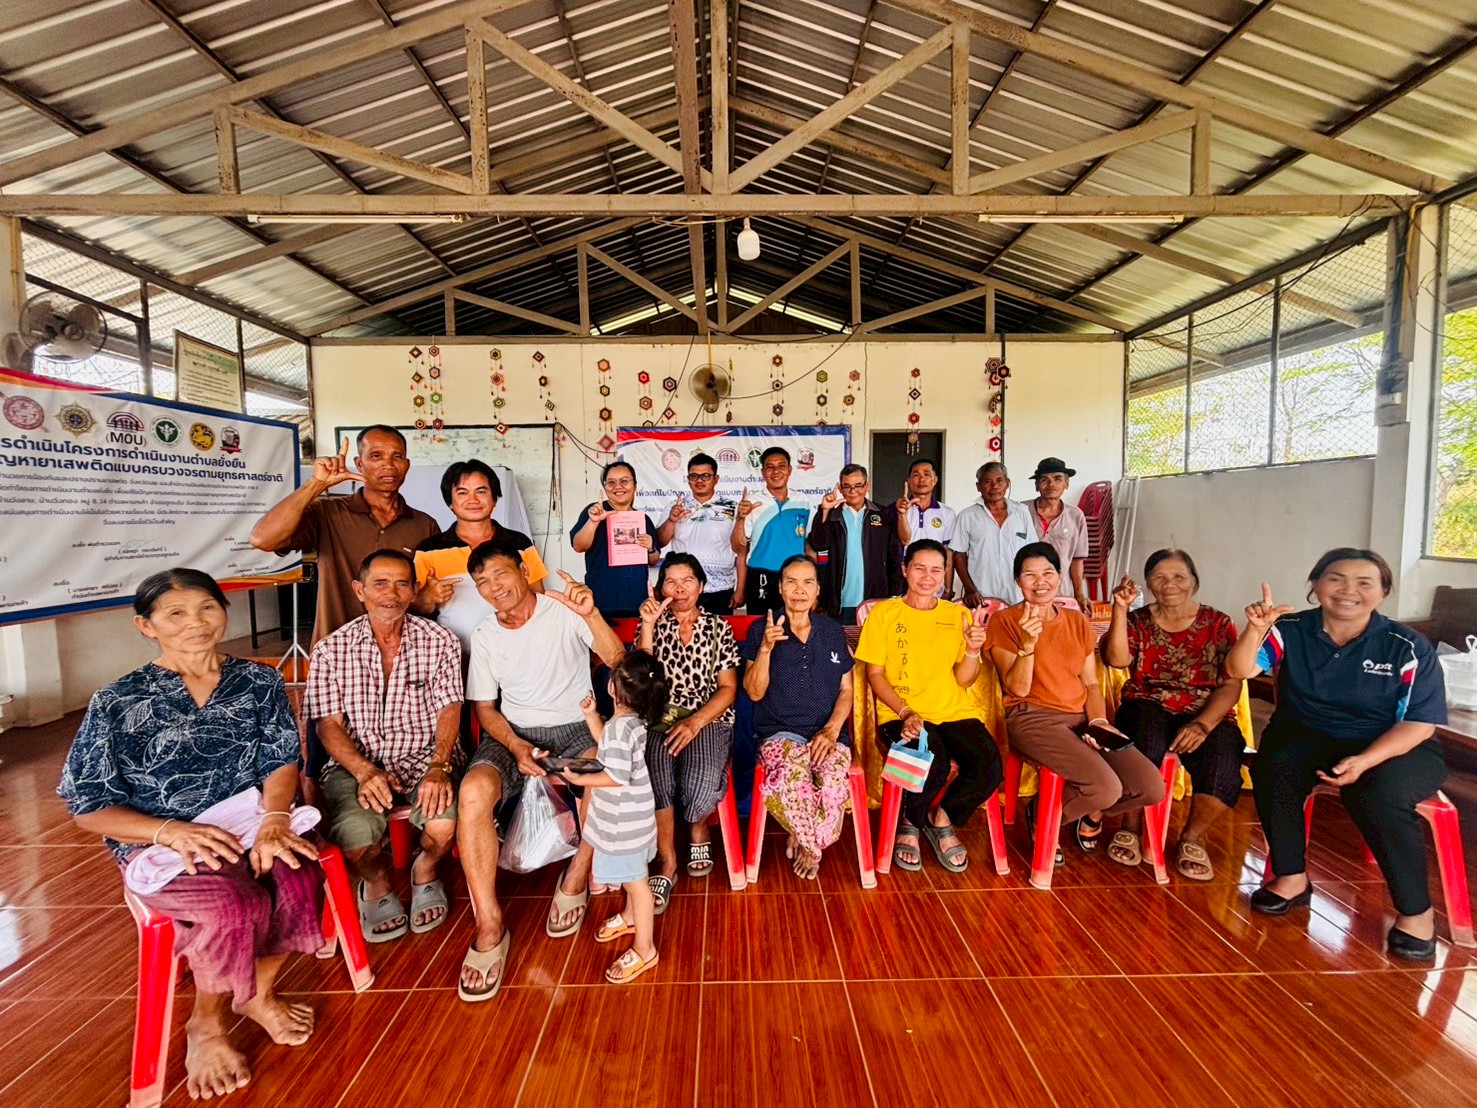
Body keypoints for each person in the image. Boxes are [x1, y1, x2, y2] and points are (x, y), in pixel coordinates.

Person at [58, 569, 322, 1101]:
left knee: (297, 874)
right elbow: (87, 806)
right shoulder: (118, 701)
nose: (196, 623)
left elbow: (280, 760)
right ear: (145, 626)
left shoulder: (257, 681)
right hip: (162, 840)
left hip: (250, 821)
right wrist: (169, 831)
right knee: (233, 904)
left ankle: (258, 994)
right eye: (175, 614)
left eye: (206, 608)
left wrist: (274, 818)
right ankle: (206, 1024)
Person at [1225, 549, 1448, 961]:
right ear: (1315, 584)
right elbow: (1239, 671)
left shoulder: (1406, 646)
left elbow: (1420, 723)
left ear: (1383, 592)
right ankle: (1291, 878)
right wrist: (1254, 631)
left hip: (1394, 744)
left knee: (1377, 794)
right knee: (1273, 767)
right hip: (1306, 735)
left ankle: (1417, 913)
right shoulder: (1289, 628)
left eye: (1365, 582)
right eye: (1335, 578)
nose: (1349, 591)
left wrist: (1365, 761)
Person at [457, 543, 626, 1001]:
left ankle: (575, 877)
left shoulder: (563, 610)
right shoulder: (487, 633)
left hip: (574, 727)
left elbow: (617, 660)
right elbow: (485, 708)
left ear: (524, 571)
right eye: (483, 583)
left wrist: (590, 615)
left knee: (600, 776)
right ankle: (489, 923)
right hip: (511, 733)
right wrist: (514, 745)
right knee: (472, 793)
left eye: (500, 574)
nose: (494, 589)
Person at [305, 549, 463, 943]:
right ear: (359, 590)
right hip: (357, 763)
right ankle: (374, 882)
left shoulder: (440, 641)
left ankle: (424, 869)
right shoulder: (331, 649)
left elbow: (449, 709)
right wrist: (363, 770)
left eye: (401, 584)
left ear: (413, 592)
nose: (390, 593)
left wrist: (440, 766)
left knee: (444, 825)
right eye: (379, 583)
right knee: (355, 838)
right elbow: (328, 725)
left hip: (425, 756)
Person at [984, 543, 1164, 876]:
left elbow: (1093, 685)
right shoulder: (1005, 621)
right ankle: (1044, 818)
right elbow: (1017, 688)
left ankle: (1087, 811)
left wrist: (1098, 722)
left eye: (1048, 573)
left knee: (1150, 786)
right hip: (1031, 717)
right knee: (1105, 786)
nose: (1040, 582)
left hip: (1082, 718)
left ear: (1060, 576)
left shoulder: (1076, 622)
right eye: (1030, 575)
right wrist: (1027, 646)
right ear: (1017, 581)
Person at [854, 539, 1003, 873]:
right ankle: (910, 821)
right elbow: (874, 675)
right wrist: (905, 711)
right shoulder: (885, 614)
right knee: (930, 765)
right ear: (905, 570)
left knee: (989, 766)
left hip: (954, 712)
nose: (928, 576)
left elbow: (965, 680)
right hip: (900, 714)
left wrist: (972, 649)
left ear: (945, 574)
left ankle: (941, 817)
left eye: (936, 569)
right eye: (919, 568)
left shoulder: (958, 615)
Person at [1099, 550, 1245, 879]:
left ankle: (1192, 837)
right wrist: (1120, 610)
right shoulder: (1139, 620)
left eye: (1179, 577)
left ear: (1194, 582)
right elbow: (1118, 661)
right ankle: (1131, 824)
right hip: (1146, 701)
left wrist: (1203, 724)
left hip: (1204, 708)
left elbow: (1231, 684)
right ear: (1148, 583)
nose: (1170, 585)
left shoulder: (1218, 623)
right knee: (1142, 739)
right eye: (1160, 577)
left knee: (1223, 761)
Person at [250, 426, 438, 643]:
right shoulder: (327, 513)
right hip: (336, 650)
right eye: (376, 456)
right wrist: (316, 484)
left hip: (400, 649)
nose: (388, 465)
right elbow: (262, 539)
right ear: (360, 464)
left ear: (406, 465)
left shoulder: (424, 524)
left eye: (397, 456)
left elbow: (424, 592)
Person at [742, 554, 856, 880]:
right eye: (791, 581)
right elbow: (753, 693)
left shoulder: (832, 631)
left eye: (808, 582)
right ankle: (812, 846)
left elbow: (847, 689)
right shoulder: (760, 630)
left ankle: (801, 833)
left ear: (818, 590)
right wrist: (765, 649)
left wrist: (832, 730)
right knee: (793, 780)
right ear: (780, 588)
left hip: (827, 733)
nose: (799, 590)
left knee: (834, 781)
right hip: (781, 734)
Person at [637, 553, 741, 907]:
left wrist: (695, 721)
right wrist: (648, 626)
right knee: (657, 776)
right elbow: (640, 676)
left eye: (687, 581)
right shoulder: (653, 622)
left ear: (701, 586)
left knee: (699, 781)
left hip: (707, 715)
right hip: (658, 716)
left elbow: (728, 689)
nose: (679, 589)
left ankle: (698, 826)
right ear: (659, 587)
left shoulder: (717, 627)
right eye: (670, 582)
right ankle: (667, 862)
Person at [566, 655, 665, 984]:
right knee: (629, 876)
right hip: (625, 820)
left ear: (611, 687)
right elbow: (605, 743)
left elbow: (616, 775)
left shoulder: (624, 728)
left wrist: (582, 781)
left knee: (638, 886)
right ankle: (629, 916)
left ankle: (645, 947)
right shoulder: (628, 722)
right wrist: (591, 715)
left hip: (626, 825)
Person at [413, 458, 543, 652]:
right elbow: (414, 611)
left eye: (481, 491)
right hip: (454, 656)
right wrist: (427, 598)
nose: (473, 500)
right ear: (450, 502)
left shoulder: (519, 544)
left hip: (516, 652)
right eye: (462, 492)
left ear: (494, 499)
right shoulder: (429, 550)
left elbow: (538, 598)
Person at [807, 463, 899, 623]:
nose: (853, 491)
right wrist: (825, 511)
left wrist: (895, 594)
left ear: (867, 486)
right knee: (841, 646)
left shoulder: (882, 515)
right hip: (839, 602)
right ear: (840, 488)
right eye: (847, 486)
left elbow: (894, 556)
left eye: (858, 486)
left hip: (875, 601)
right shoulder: (832, 514)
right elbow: (818, 544)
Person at [570, 460, 661, 618]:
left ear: (635, 485)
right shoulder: (595, 512)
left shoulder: (643, 519)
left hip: (637, 605)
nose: (618, 486)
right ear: (605, 487)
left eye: (624, 481)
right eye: (611, 482)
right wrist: (593, 521)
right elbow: (578, 546)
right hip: (600, 605)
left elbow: (653, 559)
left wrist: (651, 547)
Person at [656, 452, 743, 613]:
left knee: (717, 634)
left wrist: (740, 589)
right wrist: (671, 520)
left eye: (706, 476)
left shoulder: (732, 508)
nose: (699, 481)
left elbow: (742, 551)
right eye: (694, 476)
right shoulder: (676, 506)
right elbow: (660, 542)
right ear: (688, 479)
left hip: (720, 588)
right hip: (683, 590)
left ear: (716, 479)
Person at [731, 446, 813, 615]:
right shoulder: (751, 503)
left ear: (789, 470)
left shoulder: (804, 502)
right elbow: (738, 547)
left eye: (781, 466)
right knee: (760, 631)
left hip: (795, 578)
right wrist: (740, 518)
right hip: (760, 576)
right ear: (763, 472)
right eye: (770, 467)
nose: (776, 471)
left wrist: (812, 583)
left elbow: (809, 546)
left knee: (794, 629)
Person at [952, 461, 1034, 606]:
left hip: (1018, 593)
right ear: (978, 487)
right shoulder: (967, 516)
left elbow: (1032, 551)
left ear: (1007, 483)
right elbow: (959, 555)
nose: (994, 486)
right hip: (981, 594)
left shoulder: (1022, 512)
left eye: (999, 480)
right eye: (987, 482)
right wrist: (970, 590)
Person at [1022, 457, 1091, 610]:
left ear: (1066, 484)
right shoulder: (1021, 511)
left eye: (1057, 479)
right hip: (1025, 591)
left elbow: (1076, 560)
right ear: (1036, 486)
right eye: (1044, 480)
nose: (1051, 484)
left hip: (1061, 592)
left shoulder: (1075, 516)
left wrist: (1079, 594)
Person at [884, 458, 956, 597]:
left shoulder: (946, 512)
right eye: (916, 475)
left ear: (935, 480)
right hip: (902, 577)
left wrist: (948, 589)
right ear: (909, 482)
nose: (921, 479)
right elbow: (905, 541)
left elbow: (948, 553)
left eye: (927, 474)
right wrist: (902, 514)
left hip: (933, 576)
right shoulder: (892, 510)